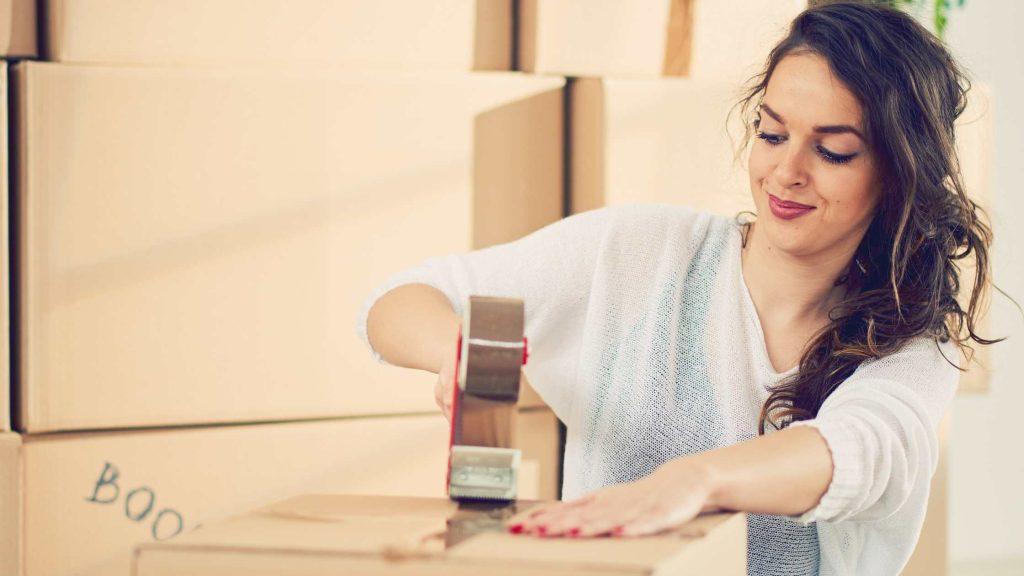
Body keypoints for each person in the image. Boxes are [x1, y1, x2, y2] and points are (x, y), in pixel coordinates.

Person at [357, 2, 1000, 574]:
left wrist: (695, 480)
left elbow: (860, 453)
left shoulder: (911, 344)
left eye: (831, 152)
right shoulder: (638, 253)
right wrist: (456, 351)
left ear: (899, 172)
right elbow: (402, 300)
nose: (785, 171)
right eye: (772, 134)